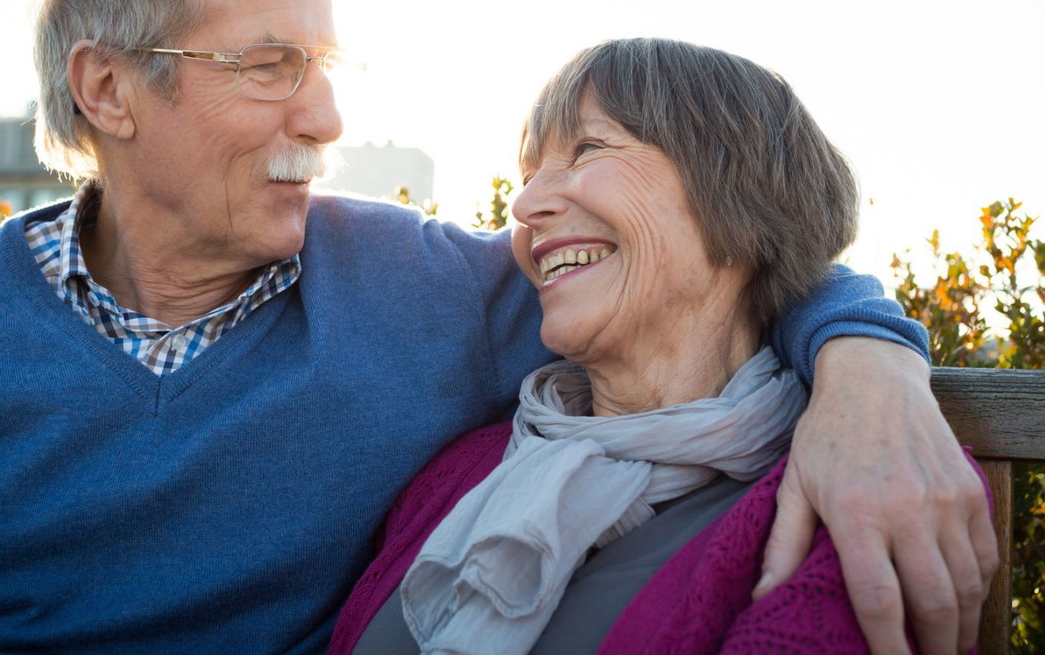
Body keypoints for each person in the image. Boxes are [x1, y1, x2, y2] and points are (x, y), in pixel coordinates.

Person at [0, 0, 994, 655]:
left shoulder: (419, 287)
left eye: (324, 68)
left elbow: (723, 262)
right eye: (268, 66)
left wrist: (869, 371)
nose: (326, 118)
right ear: (109, 90)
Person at [329, 38, 992, 655]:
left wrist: (873, 358)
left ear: (736, 193)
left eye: (587, 148)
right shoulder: (457, 471)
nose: (524, 205)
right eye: (529, 172)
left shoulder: (868, 482)